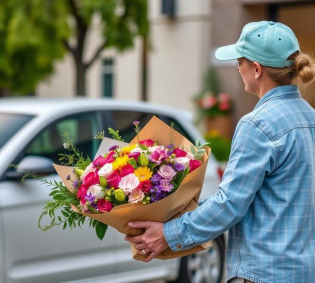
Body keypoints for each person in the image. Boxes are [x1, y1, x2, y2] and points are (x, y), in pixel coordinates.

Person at [125, 21, 315, 283]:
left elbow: (230, 205)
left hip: (264, 274)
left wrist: (168, 234)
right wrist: (178, 215)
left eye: (240, 60)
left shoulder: (257, 124)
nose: (237, 67)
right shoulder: (311, 117)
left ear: (256, 69)